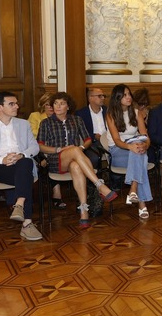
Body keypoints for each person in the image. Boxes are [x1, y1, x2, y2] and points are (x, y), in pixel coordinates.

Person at [37, 91, 117, 227]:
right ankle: (100, 185)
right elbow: (40, 146)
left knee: (75, 165)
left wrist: (80, 148)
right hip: (56, 160)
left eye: (62, 103)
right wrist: (58, 149)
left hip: (74, 159)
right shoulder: (46, 123)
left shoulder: (76, 120)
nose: (58, 106)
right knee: (73, 150)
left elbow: (87, 140)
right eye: (55, 103)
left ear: (68, 107)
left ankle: (84, 211)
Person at [0, 91, 43, 241]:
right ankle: (26, 222)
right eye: (11, 104)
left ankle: (19, 205)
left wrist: (21, 155)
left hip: (20, 163)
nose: (16, 106)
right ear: (0, 107)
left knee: (25, 163)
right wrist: (1, 159)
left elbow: (34, 147)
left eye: (16, 103)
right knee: (26, 175)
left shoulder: (23, 124)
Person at [105, 84, 153, 219]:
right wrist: (131, 147)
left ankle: (134, 191)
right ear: (117, 97)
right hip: (118, 150)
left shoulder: (137, 112)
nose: (128, 97)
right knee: (140, 156)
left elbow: (145, 135)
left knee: (140, 153)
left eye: (129, 94)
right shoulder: (110, 114)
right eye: (124, 95)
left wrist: (146, 145)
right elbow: (116, 140)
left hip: (136, 147)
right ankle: (139, 199)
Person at [76, 86, 108, 169]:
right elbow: (80, 132)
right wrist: (94, 136)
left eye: (103, 96)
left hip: (108, 140)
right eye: (99, 96)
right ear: (90, 98)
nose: (103, 98)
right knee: (93, 158)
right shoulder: (81, 113)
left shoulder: (108, 111)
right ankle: (94, 180)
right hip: (92, 142)